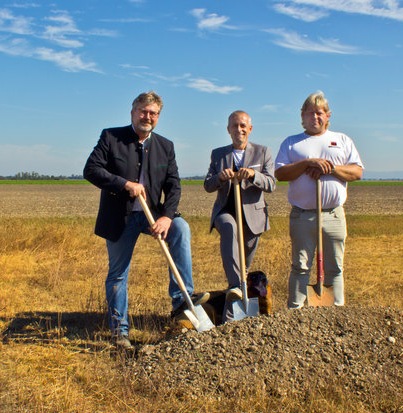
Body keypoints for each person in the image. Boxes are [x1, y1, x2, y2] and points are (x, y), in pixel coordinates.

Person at [83, 91, 208, 350]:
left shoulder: (166, 146)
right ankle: (120, 332)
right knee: (118, 274)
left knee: (181, 228)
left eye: (153, 113)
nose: (147, 117)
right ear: (132, 112)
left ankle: (181, 303)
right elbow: (91, 170)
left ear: (158, 117)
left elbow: (174, 186)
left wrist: (166, 217)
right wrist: (124, 183)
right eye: (143, 111)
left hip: (154, 216)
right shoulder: (111, 137)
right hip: (120, 217)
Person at [275, 91, 364, 308]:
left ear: (327, 115)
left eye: (320, 112)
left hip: (333, 214)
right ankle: (294, 314)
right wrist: (307, 163)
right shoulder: (292, 143)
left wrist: (330, 168)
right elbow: (280, 173)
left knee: (335, 267)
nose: (315, 117)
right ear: (302, 116)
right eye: (310, 113)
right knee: (301, 266)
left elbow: (357, 172)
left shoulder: (342, 140)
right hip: (303, 216)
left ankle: (336, 312)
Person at [204, 111, 276, 320]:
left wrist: (254, 175)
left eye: (243, 125)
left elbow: (271, 184)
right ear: (228, 130)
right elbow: (208, 185)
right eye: (235, 126)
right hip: (225, 212)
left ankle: (234, 312)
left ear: (250, 129)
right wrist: (219, 177)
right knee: (229, 228)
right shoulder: (218, 154)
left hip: (253, 217)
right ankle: (236, 286)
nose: (239, 130)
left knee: (243, 266)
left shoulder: (263, 152)